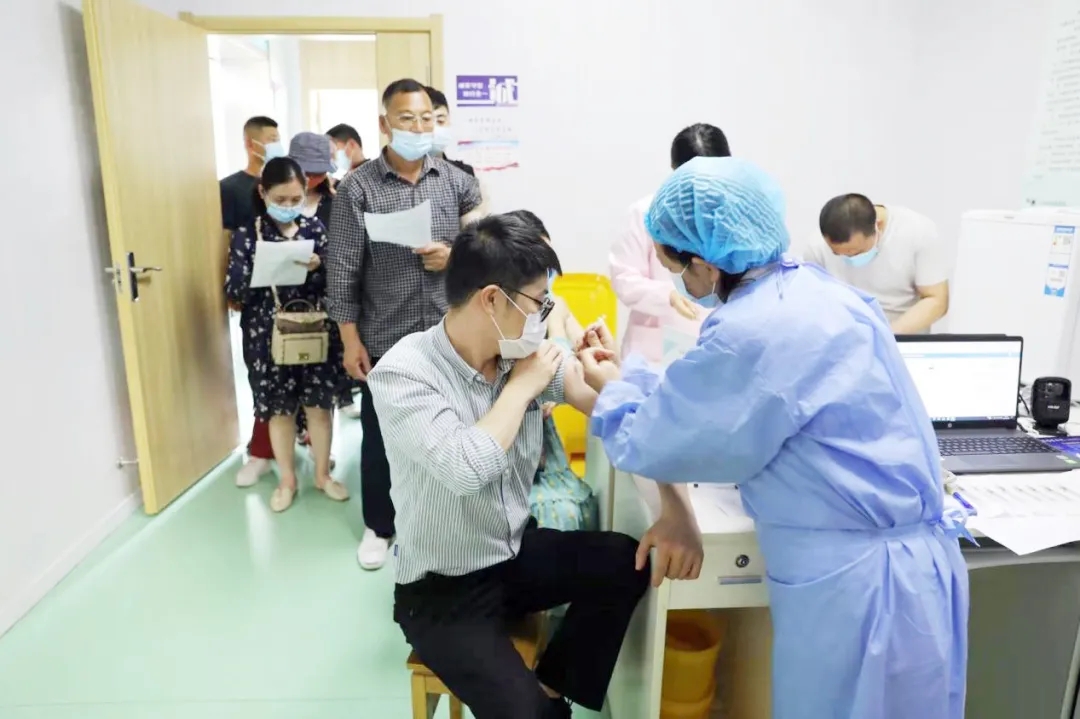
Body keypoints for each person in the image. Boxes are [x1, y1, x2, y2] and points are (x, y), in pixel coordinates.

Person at [580, 156, 970, 719]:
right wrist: (635, 380)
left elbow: (662, 438)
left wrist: (612, 388)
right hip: (915, 568)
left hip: (857, 590)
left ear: (704, 264)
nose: (680, 284)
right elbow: (731, 400)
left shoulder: (753, 331)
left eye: (677, 269)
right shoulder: (820, 292)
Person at [366, 213, 655, 718]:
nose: (545, 315)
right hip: (441, 591)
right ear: (492, 300)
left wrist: (611, 372)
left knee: (625, 561)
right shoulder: (404, 374)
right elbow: (465, 468)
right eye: (538, 302)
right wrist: (521, 390)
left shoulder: (520, 353)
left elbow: (599, 402)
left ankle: (553, 686)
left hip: (514, 553)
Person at [327, 78, 485, 570]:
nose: (418, 129)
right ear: (384, 124)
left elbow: (485, 251)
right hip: (385, 332)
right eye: (406, 119)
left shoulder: (458, 181)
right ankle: (380, 525)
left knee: (451, 429)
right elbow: (342, 268)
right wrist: (349, 340)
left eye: (426, 119)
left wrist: (453, 256)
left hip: (449, 333)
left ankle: (443, 524)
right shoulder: (358, 188)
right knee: (380, 436)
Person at [224, 157, 350, 513]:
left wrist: (319, 264)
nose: (289, 206)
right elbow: (233, 289)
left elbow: (337, 280)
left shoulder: (315, 229)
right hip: (266, 336)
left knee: (319, 407)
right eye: (281, 199)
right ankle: (287, 480)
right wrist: (263, 268)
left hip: (313, 329)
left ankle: (322, 475)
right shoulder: (248, 234)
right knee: (279, 410)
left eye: (296, 199)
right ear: (263, 193)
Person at [503, 209, 597, 532]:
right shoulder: (507, 317)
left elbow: (579, 355)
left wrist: (587, 344)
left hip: (542, 438)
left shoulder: (556, 305)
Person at [608, 123, 729, 364]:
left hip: (719, 343)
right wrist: (667, 295)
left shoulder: (734, 215)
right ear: (675, 172)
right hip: (654, 351)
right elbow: (623, 278)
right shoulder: (645, 213)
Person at [219, 115, 283, 489]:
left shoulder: (286, 182)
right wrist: (232, 290)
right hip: (256, 300)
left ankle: (301, 437)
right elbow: (224, 244)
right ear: (250, 142)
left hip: (296, 298)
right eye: (270, 138)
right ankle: (261, 450)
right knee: (261, 372)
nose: (276, 143)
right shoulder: (230, 189)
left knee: (300, 372)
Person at [290, 132, 362, 422]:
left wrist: (323, 260)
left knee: (334, 356)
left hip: (331, 292)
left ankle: (342, 398)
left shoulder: (336, 202)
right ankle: (301, 424)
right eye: (307, 172)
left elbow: (350, 248)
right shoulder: (281, 205)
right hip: (290, 298)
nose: (313, 179)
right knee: (295, 365)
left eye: (318, 173)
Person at [804, 194, 949, 334]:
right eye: (837, 253)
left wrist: (887, 336)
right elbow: (816, 304)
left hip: (903, 336)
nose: (848, 258)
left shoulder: (918, 232)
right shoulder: (817, 246)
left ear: (877, 226)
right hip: (846, 337)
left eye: (856, 252)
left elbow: (936, 299)